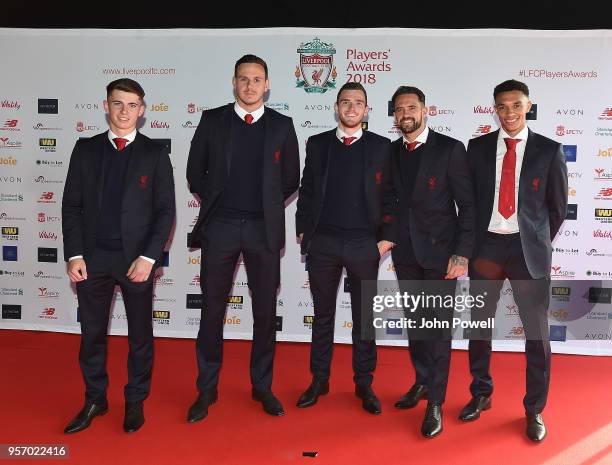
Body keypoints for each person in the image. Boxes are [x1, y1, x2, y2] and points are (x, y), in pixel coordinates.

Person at [186, 54, 300, 422]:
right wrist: (218, 201)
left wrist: (265, 206)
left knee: (265, 312)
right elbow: (194, 172)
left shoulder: (283, 125)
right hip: (220, 226)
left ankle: (262, 386)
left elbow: (290, 179)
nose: (250, 86)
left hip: (262, 229)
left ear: (267, 85)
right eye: (243, 79)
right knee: (212, 310)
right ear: (234, 83)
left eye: (256, 79)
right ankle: (206, 389)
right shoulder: (212, 120)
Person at [62, 78, 175, 434]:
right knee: (91, 334)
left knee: (140, 336)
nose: (124, 111)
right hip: (93, 260)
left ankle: (135, 400)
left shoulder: (155, 153)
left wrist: (148, 258)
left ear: (142, 110)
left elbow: (164, 212)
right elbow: (71, 207)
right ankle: (95, 398)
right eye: (117, 103)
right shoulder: (85, 150)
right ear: (105, 105)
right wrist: (74, 254)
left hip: (135, 262)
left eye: (131, 105)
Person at [460, 79, 567, 442]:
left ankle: (534, 408)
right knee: (479, 328)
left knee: (536, 335)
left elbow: (557, 208)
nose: (509, 113)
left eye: (516, 105)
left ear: (528, 106)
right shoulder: (476, 149)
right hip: (486, 249)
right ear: (495, 108)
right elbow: (469, 202)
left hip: (527, 254)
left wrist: (535, 242)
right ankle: (480, 393)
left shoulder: (548, 151)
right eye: (502, 106)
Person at [295, 82, 396, 415]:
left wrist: (384, 239)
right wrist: (303, 231)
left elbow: (395, 196)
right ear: (336, 108)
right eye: (345, 102)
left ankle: (363, 383)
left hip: (363, 244)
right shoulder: (318, 144)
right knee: (322, 316)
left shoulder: (383, 146)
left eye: (358, 103)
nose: (352, 108)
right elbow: (307, 190)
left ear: (366, 110)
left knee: (364, 318)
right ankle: (319, 379)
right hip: (323, 243)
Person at [387, 86, 475, 438]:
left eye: (411, 106)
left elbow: (468, 206)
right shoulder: (390, 151)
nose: (405, 113)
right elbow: (390, 202)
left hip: (441, 255)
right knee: (416, 325)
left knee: (437, 332)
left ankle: (436, 402)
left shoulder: (450, 149)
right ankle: (423, 381)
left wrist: (462, 252)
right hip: (405, 253)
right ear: (394, 115)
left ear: (425, 110)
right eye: (399, 108)